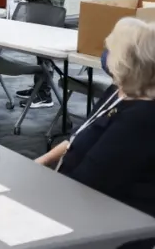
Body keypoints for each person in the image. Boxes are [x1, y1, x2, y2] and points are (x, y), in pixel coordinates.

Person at [36, 18, 155, 249]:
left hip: (107, 227)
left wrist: (39, 194)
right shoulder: (120, 92)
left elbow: (89, 184)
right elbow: (81, 136)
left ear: (126, 61)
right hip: (85, 207)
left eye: (110, 49)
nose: (105, 54)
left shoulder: (140, 118)